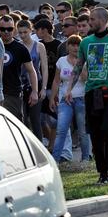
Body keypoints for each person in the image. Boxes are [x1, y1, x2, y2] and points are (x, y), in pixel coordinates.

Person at [64, 7, 108, 185]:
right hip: (91, 92)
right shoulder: (85, 42)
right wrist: (69, 89)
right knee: (94, 133)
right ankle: (102, 171)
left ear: (102, 20)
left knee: (107, 129)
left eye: (93, 19)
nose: (90, 22)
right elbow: (79, 66)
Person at [49, 35, 91, 163]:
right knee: (61, 129)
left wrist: (80, 64)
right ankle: (55, 160)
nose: (75, 47)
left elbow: (86, 79)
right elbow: (56, 80)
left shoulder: (85, 60)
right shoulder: (61, 61)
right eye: (72, 45)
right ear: (67, 46)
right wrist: (52, 97)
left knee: (83, 131)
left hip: (81, 98)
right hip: (64, 99)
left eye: (78, 45)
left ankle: (85, 159)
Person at [0, 15, 38, 121]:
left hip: (13, 93)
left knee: (15, 125)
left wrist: (35, 92)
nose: (6, 31)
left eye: (9, 29)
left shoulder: (20, 48)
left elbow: (31, 71)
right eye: (3, 29)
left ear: (14, 29)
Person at [17, 19, 48, 141]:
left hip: (36, 84)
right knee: (22, 119)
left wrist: (44, 88)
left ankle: (39, 148)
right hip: (21, 85)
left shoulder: (39, 46)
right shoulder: (18, 45)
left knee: (35, 119)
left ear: (31, 30)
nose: (23, 35)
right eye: (20, 32)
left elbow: (44, 68)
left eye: (25, 32)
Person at [35, 19, 62, 150]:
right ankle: (48, 142)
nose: (35, 32)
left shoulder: (59, 45)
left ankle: (52, 146)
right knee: (39, 119)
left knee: (54, 120)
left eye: (37, 29)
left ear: (44, 30)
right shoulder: (38, 45)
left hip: (55, 86)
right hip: (41, 86)